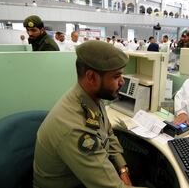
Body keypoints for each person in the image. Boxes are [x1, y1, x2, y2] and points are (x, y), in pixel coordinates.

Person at [33, 40, 141, 188]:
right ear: (91, 77)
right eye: (116, 77)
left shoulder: (91, 96)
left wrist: (122, 168)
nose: (122, 82)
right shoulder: (75, 128)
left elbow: (107, 132)